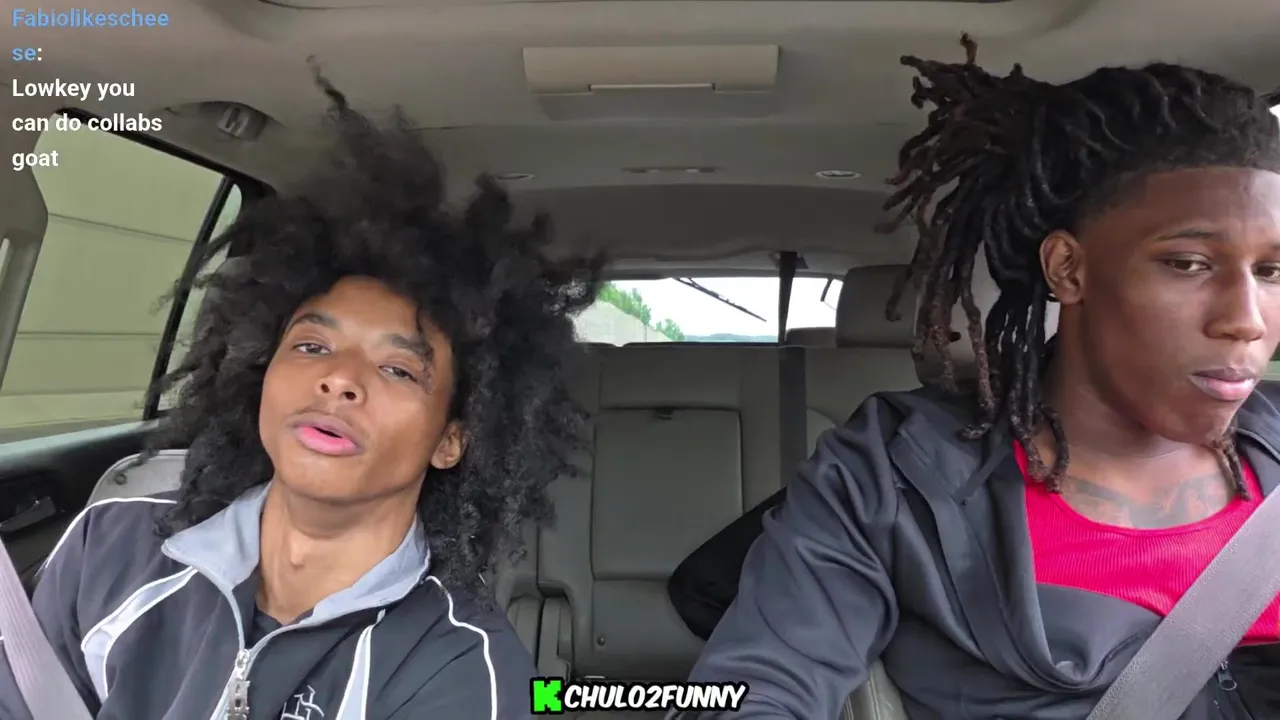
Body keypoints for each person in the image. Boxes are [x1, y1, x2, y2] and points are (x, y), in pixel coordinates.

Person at [676, 35, 1280, 719]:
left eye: (1272, 271)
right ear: (1069, 269)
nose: (1246, 320)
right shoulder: (895, 478)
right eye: (1188, 264)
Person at [0, 70, 602, 720]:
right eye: (313, 346)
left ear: (451, 439)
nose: (339, 379)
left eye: (398, 370)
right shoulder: (112, 543)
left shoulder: (461, 666)